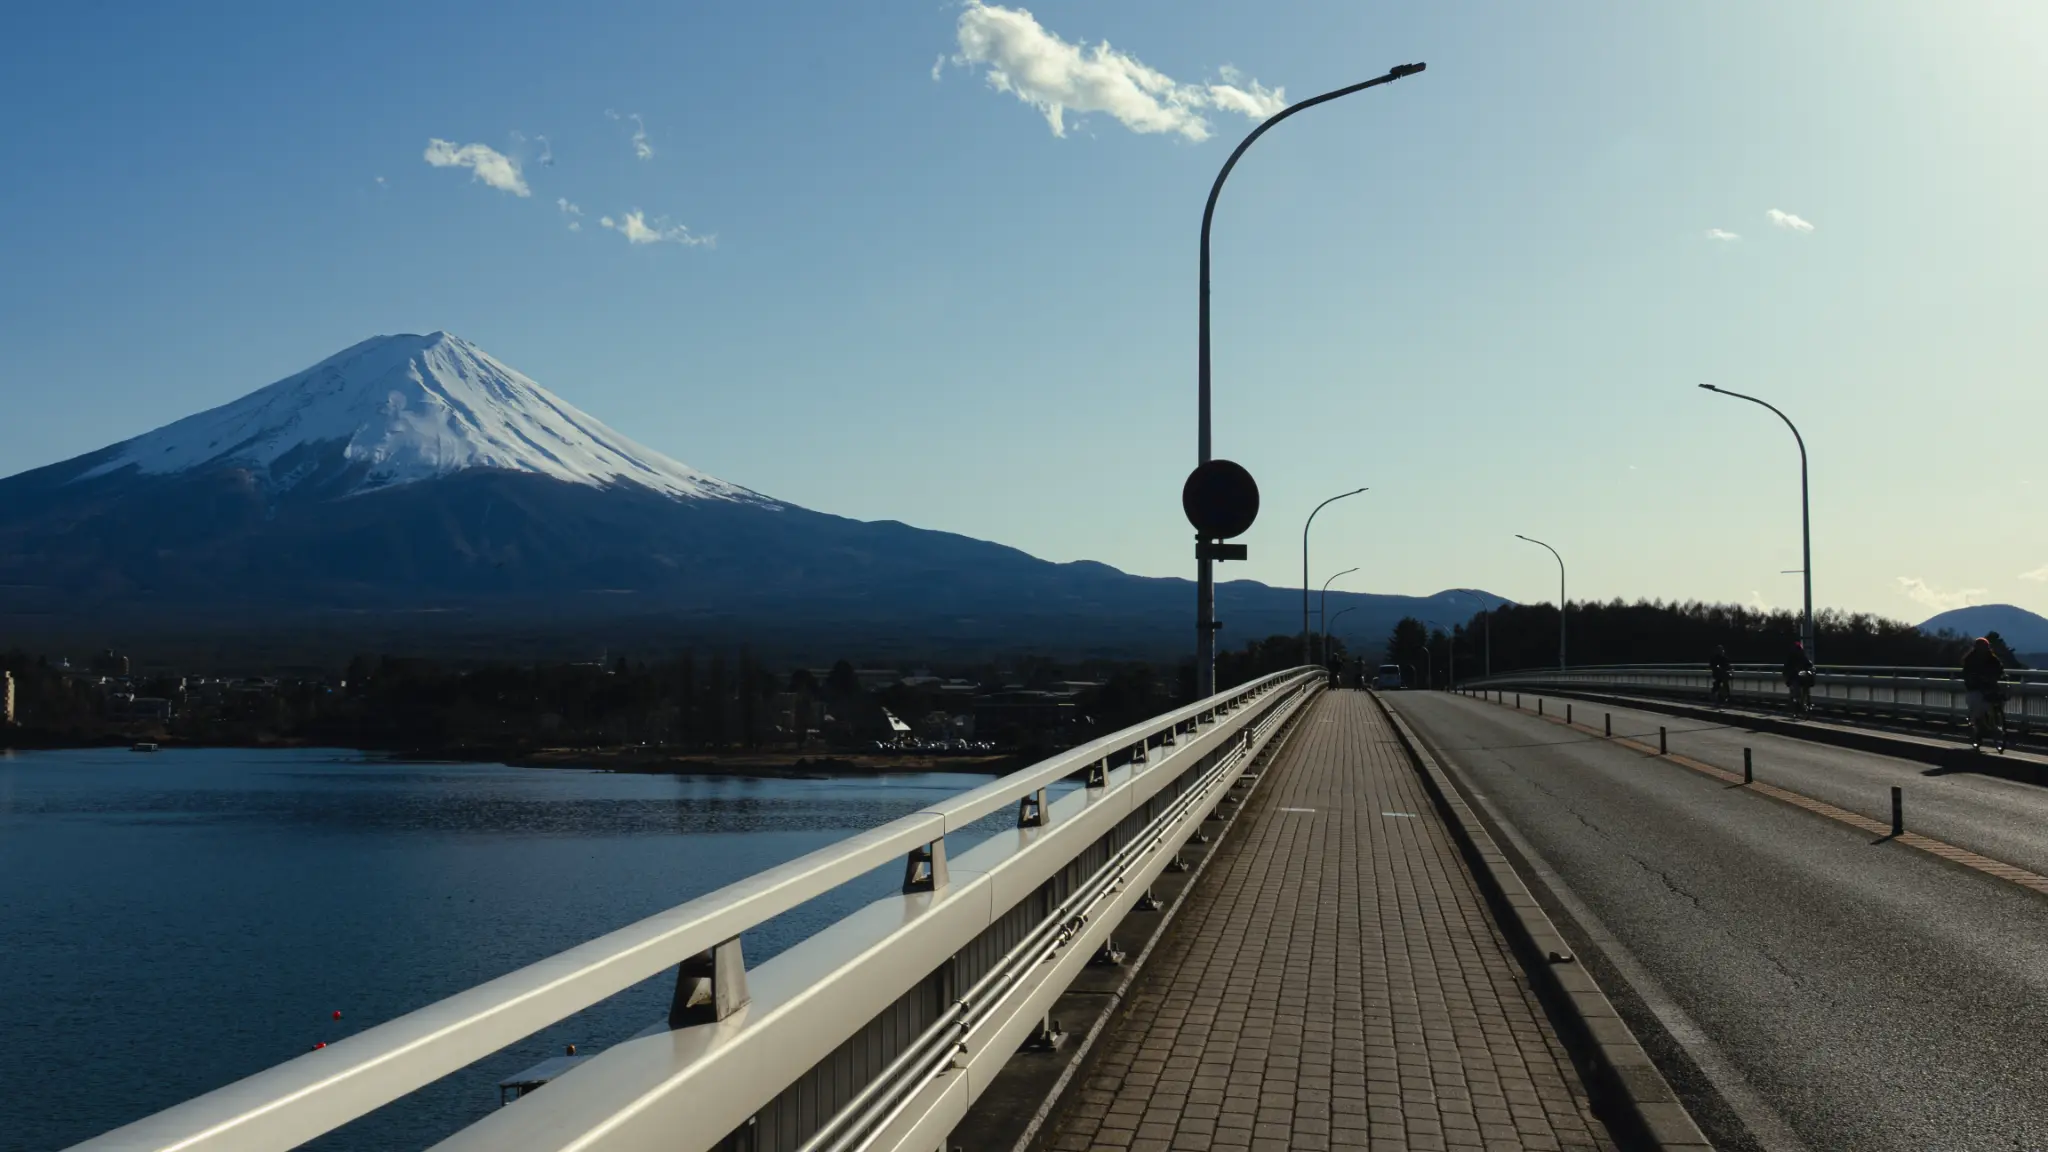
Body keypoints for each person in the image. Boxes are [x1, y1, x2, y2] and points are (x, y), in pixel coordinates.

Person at [1962, 636, 2004, 747]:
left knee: (1998, 699)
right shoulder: (1970, 659)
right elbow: (1966, 672)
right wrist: (1973, 678)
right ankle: (1978, 730)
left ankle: (1995, 722)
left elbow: (1999, 669)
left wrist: (1999, 676)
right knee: (1976, 705)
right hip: (1975, 687)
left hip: (1989, 686)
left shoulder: (1992, 659)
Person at [1782, 640, 1815, 713]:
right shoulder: (1791, 658)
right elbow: (1787, 668)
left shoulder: (1802, 656)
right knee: (1796, 690)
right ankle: (1796, 704)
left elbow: (1808, 663)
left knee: (1806, 684)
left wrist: (1811, 667)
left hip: (1801, 676)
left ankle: (1804, 702)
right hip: (1794, 676)